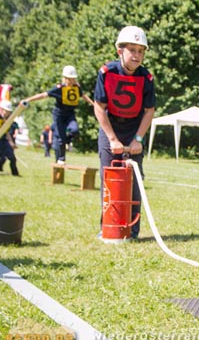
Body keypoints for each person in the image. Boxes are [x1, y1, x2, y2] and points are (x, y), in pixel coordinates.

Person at [93, 25, 155, 240]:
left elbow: (149, 111)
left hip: (134, 129)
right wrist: (112, 139)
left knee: (135, 179)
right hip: (111, 127)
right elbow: (99, 107)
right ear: (120, 51)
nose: (137, 56)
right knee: (109, 177)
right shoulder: (107, 73)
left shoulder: (147, 78)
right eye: (132, 50)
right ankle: (108, 227)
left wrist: (138, 139)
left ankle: (132, 230)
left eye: (141, 51)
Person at [23, 66, 94, 165]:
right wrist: (28, 99)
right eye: (69, 79)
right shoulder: (59, 88)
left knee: (74, 130)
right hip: (59, 115)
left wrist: (94, 104)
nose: (71, 81)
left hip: (70, 115)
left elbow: (84, 96)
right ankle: (61, 158)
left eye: (73, 79)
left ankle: (68, 141)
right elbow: (44, 95)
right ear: (65, 78)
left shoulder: (77, 88)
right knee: (61, 138)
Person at [0, 100, 19, 176]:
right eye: (6, 111)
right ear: (1, 110)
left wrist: (11, 143)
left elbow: (6, 132)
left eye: (9, 112)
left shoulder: (7, 120)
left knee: (12, 157)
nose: (8, 113)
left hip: (3, 141)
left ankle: (15, 173)